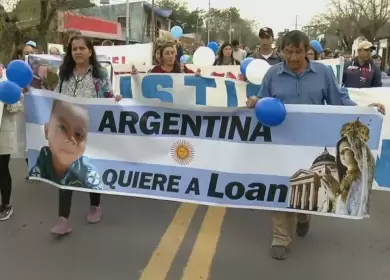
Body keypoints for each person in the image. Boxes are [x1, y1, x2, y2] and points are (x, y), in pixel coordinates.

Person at [246, 30, 385, 261]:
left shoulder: (323, 73)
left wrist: (366, 109)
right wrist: (254, 102)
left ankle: (303, 215)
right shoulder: (272, 74)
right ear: (281, 51)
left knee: (305, 186)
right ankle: (281, 236)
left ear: (306, 51)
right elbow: (263, 101)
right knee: (282, 186)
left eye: (298, 52)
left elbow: (338, 101)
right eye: (288, 52)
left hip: (311, 143)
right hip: (280, 142)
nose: (293, 57)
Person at [50, 34, 121, 235]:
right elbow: (55, 97)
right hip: (67, 131)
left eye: (82, 48)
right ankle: (63, 219)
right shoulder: (64, 76)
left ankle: (94, 206)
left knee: (91, 169)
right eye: (74, 49)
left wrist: (115, 99)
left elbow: (108, 98)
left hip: (92, 132)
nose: (78, 52)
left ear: (90, 51)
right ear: (70, 53)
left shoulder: (100, 76)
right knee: (65, 171)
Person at [29, 100, 103, 190]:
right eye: (62, 128)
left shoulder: (87, 170)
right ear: (47, 130)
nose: (70, 139)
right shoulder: (44, 157)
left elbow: (96, 188)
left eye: (79, 134)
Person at [0, 84, 23, 221]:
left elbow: (18, 107)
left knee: (2, 169)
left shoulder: (6, 86)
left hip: (3, 137)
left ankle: (6, 204)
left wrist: (7, 102)